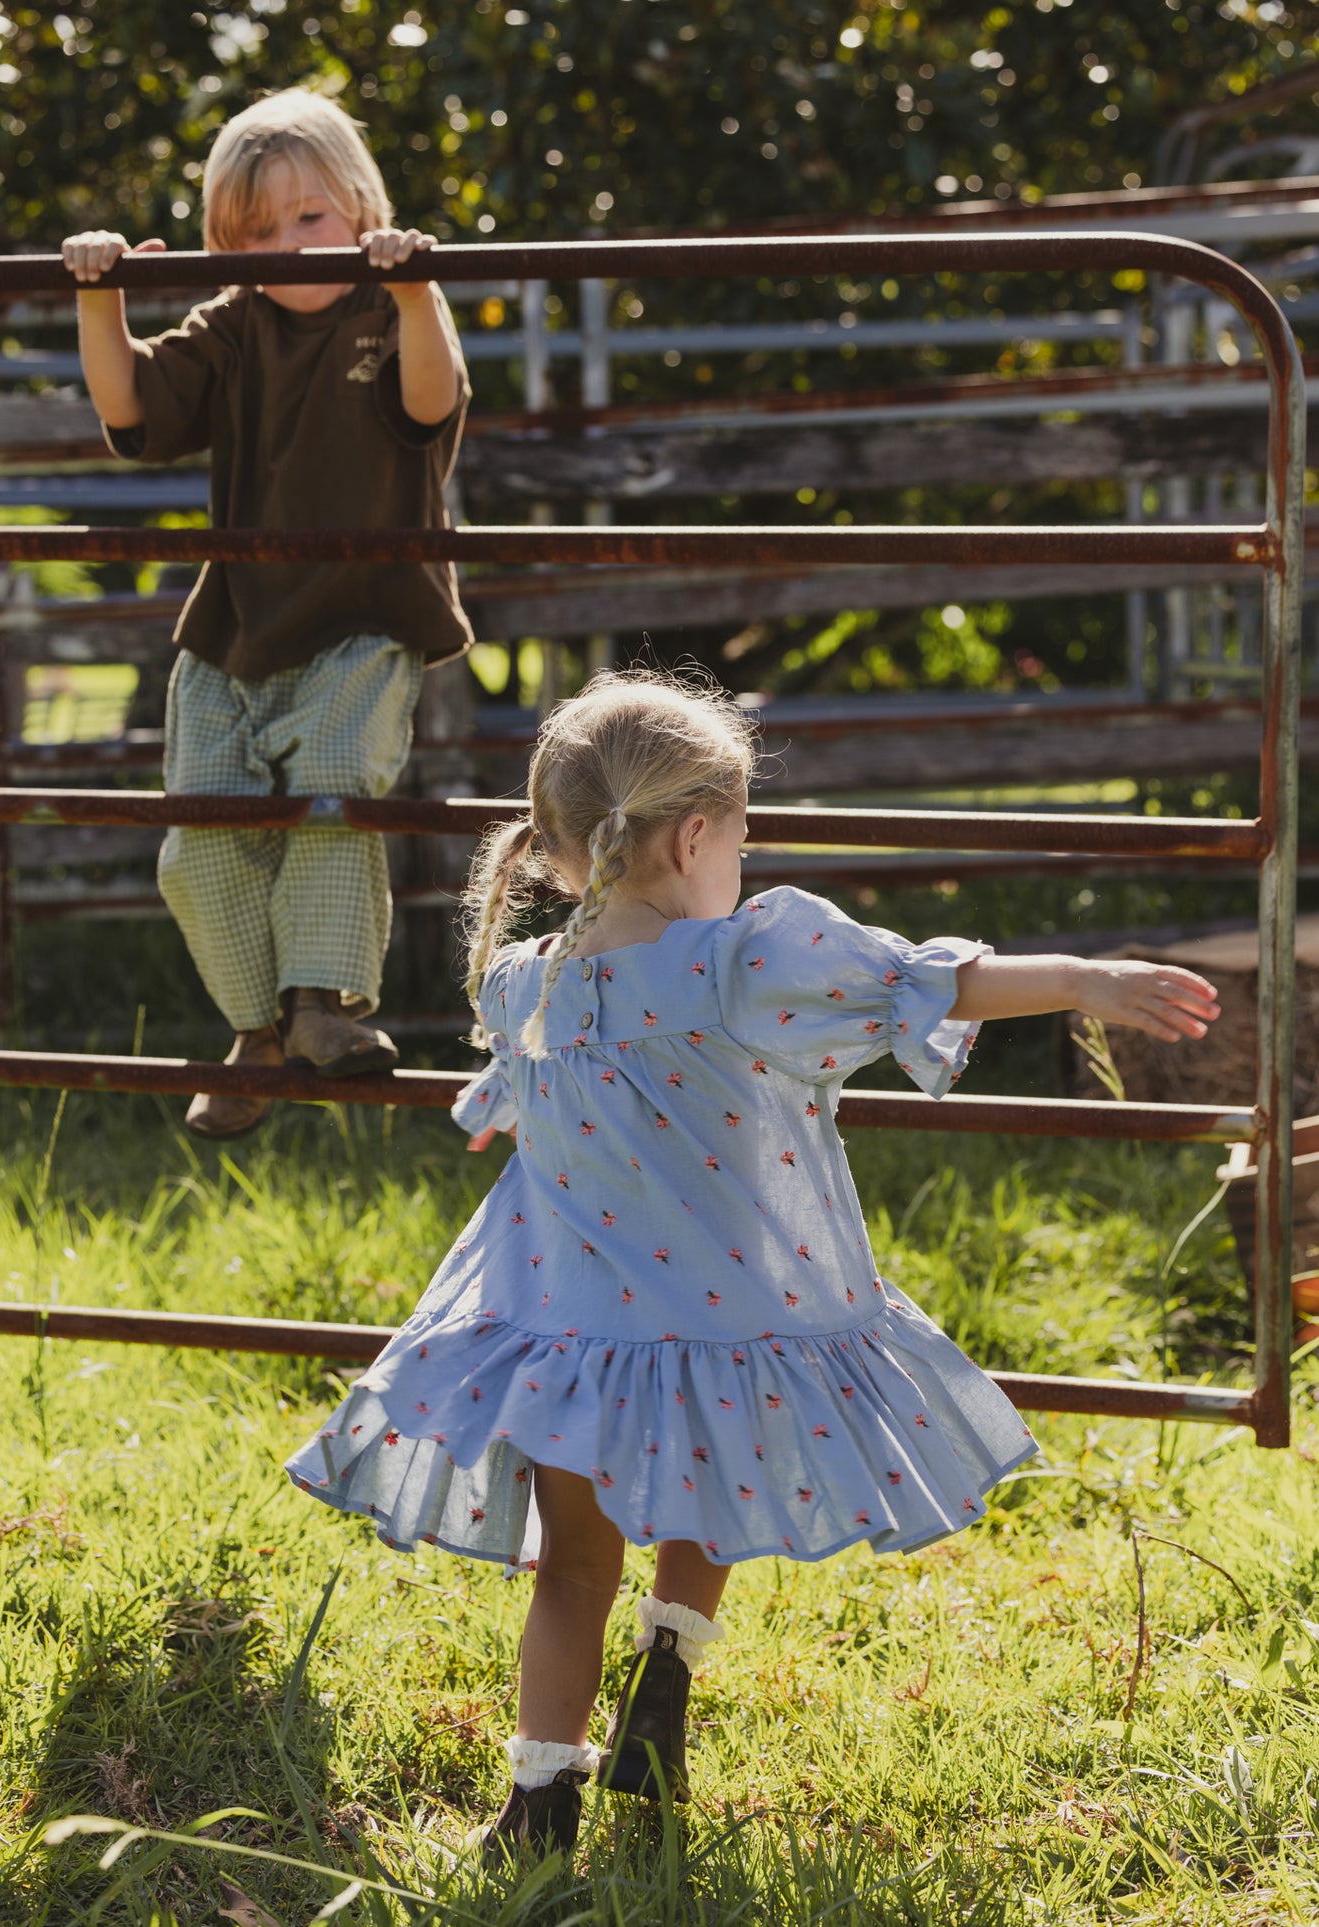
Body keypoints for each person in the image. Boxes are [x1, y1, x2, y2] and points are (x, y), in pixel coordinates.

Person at [286, 669, 1221, 1856]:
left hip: (571, 1331)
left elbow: (523, 1090)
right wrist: (1085, 979)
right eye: (737, 835)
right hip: (732, 1310)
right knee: (715, 1478)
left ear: (567, 846)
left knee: (570, 1569)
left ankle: (537, 1801)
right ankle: (664, 1680)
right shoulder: (739, 958)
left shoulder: (528, 979)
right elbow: (926, 980)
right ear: (692, 835)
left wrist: (507, 1105)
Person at [62, 88, 472, 1138]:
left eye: (311, 219)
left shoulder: (390, 313)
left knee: (332, 794)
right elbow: (132, 409)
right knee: (197, 836)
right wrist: (101, 298)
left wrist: (418, 292)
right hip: (235, 627)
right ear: (221, 246)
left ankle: (321, 1006)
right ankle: (254, 1030)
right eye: (254, 232)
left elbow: (430, 403)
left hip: (362, 621)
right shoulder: (232, 325)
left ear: (362, 211)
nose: (287, 246)